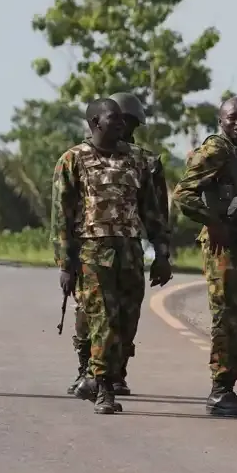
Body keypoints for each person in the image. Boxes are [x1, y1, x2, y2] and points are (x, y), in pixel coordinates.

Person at [52, 98, 173, 414]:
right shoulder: (72, 160)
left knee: (126, 320)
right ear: (94, 122)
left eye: (122, 119)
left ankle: (101, 375)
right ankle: (104, 388)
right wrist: (66, 263)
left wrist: (162, 253)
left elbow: (153, 212)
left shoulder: (136, 160)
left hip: (130, 250)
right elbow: (61, 217)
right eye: (113, 118)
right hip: (93, 252)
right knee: (103, 318)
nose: (121, 123)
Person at [172, 97, 237, 418]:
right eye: (232, 118)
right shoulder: (215, 150)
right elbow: (183, 194)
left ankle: (230, 384)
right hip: (225, 249)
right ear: (221, 120)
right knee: (228, 317)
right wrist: (214, 222)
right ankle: (220, 390)